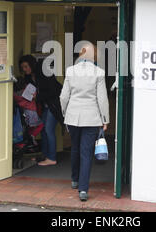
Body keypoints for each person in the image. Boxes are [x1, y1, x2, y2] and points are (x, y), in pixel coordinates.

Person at [60, 42, 110, 201]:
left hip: (73, 116)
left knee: (75, 148)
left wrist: (65, 113)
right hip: (92, 117)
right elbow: (102, 99)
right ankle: (83, 189)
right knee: (86, 153)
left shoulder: (70, 71)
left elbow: (63, 97)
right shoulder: (99, 72)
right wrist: (105, 119)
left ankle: (74, 180)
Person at [18, 55, 64, 166]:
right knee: (43, 129)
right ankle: (45, 155)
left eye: (26, 66)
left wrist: (37, 97)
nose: (24, 69)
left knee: (48, 129)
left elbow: (53, 91)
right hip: (46, 104)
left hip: (54, 104)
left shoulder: (44, 71)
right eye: (23, 67)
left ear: (32, 65)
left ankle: (52, 158)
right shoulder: (29, 76)